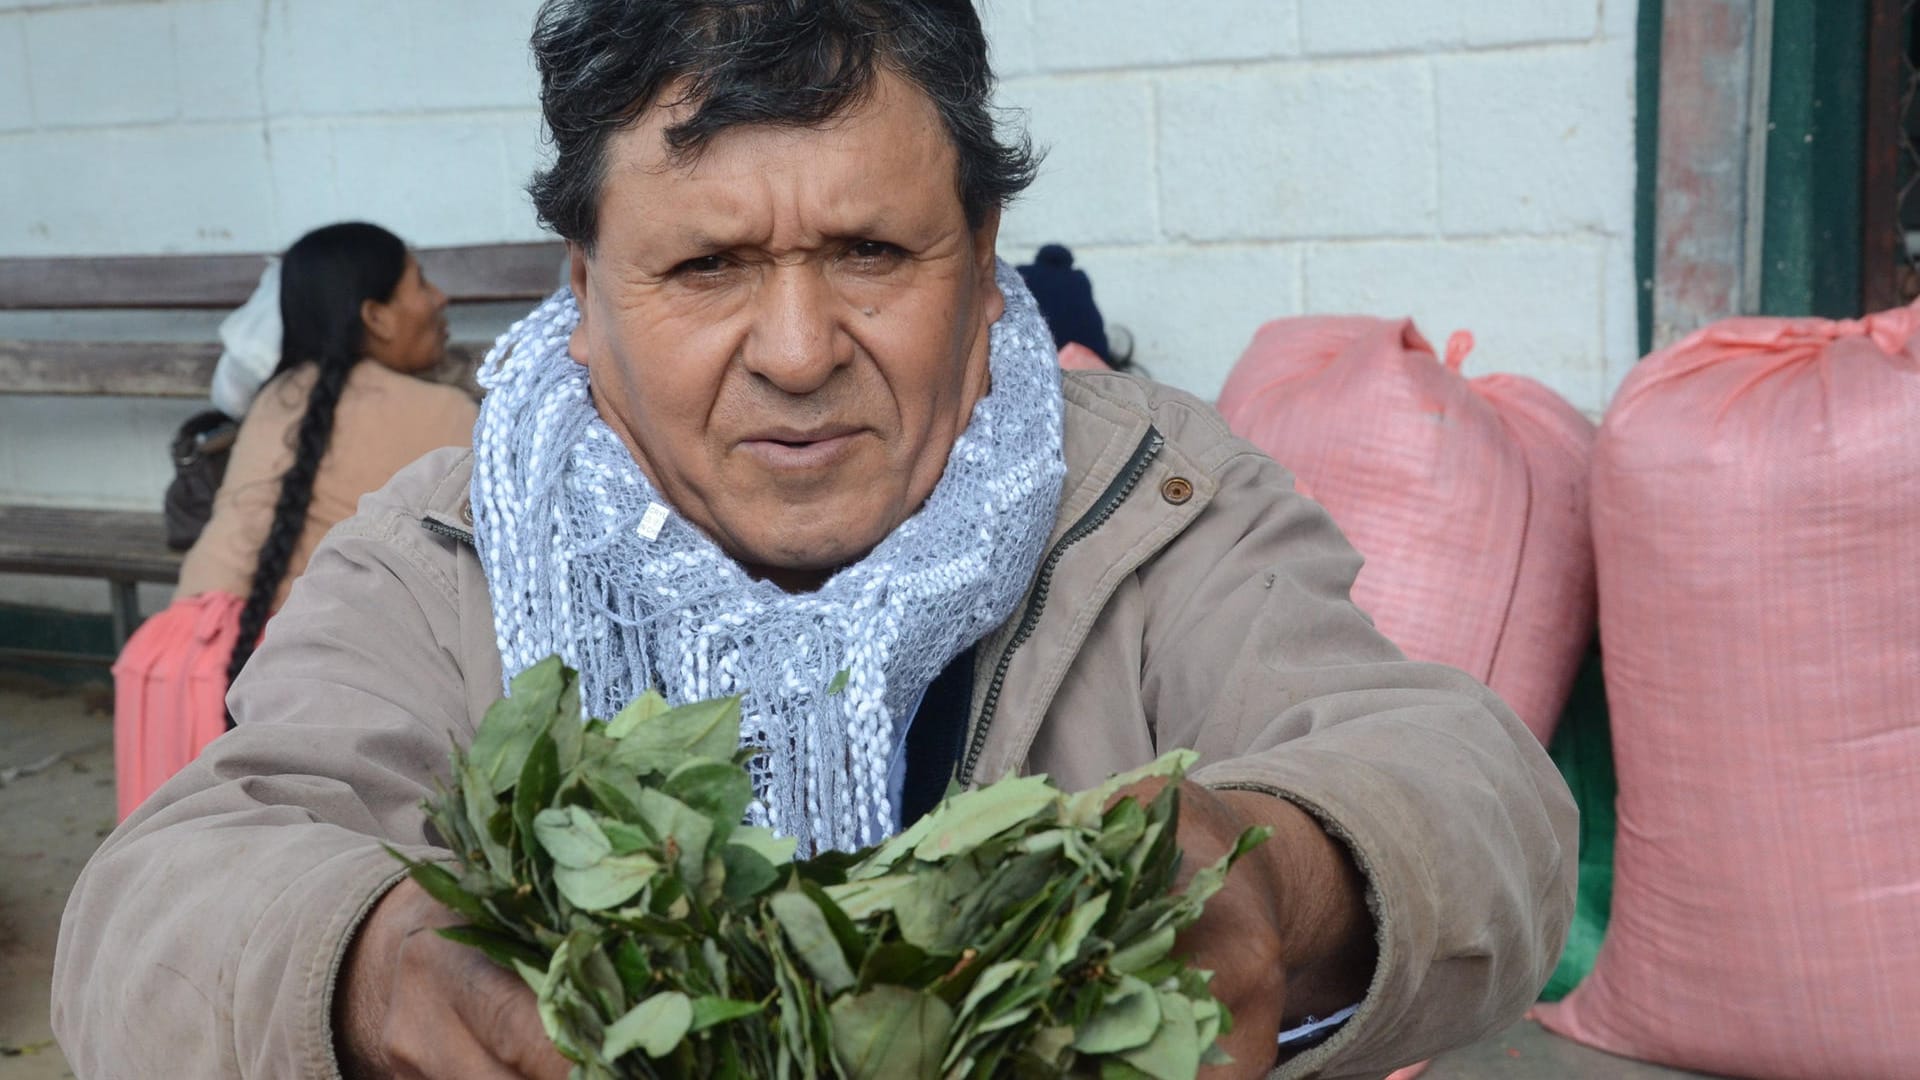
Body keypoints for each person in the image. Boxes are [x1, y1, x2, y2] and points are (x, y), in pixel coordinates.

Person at [54, 4, 1576, 1078]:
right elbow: (153, 913)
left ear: (984, 273)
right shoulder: (449, 551)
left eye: (870, 251)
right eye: (708, 265)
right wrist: (374, 969)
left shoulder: (1153, 500)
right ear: (584, 299)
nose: (796, 349)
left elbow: (1475, 789)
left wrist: (1278, 878)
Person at [108, 222, 478, 820]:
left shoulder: (272, 397)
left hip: (169, 665)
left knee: (186, 879)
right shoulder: (446, 414)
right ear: (376, 316)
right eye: (421, 282)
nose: (439, 299)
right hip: (290, 680)